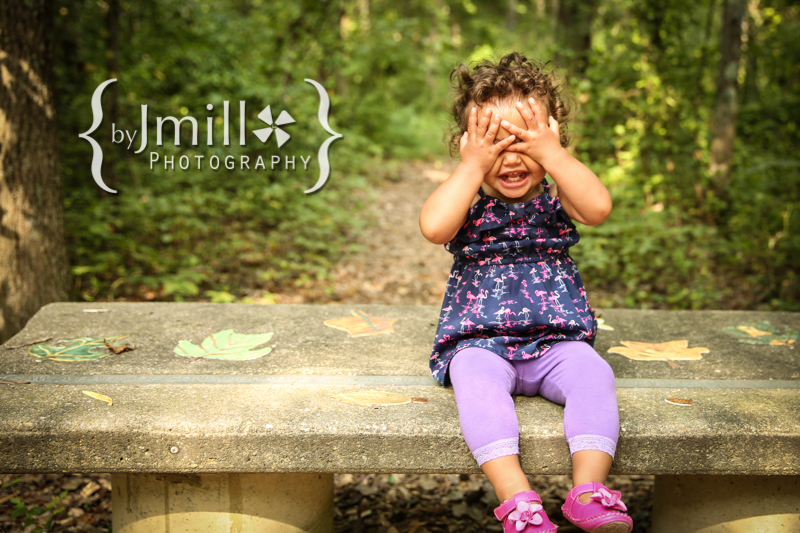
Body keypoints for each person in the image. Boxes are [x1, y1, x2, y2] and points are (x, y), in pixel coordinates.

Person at [419, 52, 633, 533]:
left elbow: (598, 208)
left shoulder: (558, 198)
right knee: (473, 379)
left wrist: (553, 155)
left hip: (557, 343)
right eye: (495, 143)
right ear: (466, 146)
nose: (512, 156)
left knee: (594, 374)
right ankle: (518, 499)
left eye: (524, 141)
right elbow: (433, 227)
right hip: (481, 344)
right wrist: (472, 167)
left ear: (552, 138)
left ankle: (589, 491)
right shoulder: (468, 201)